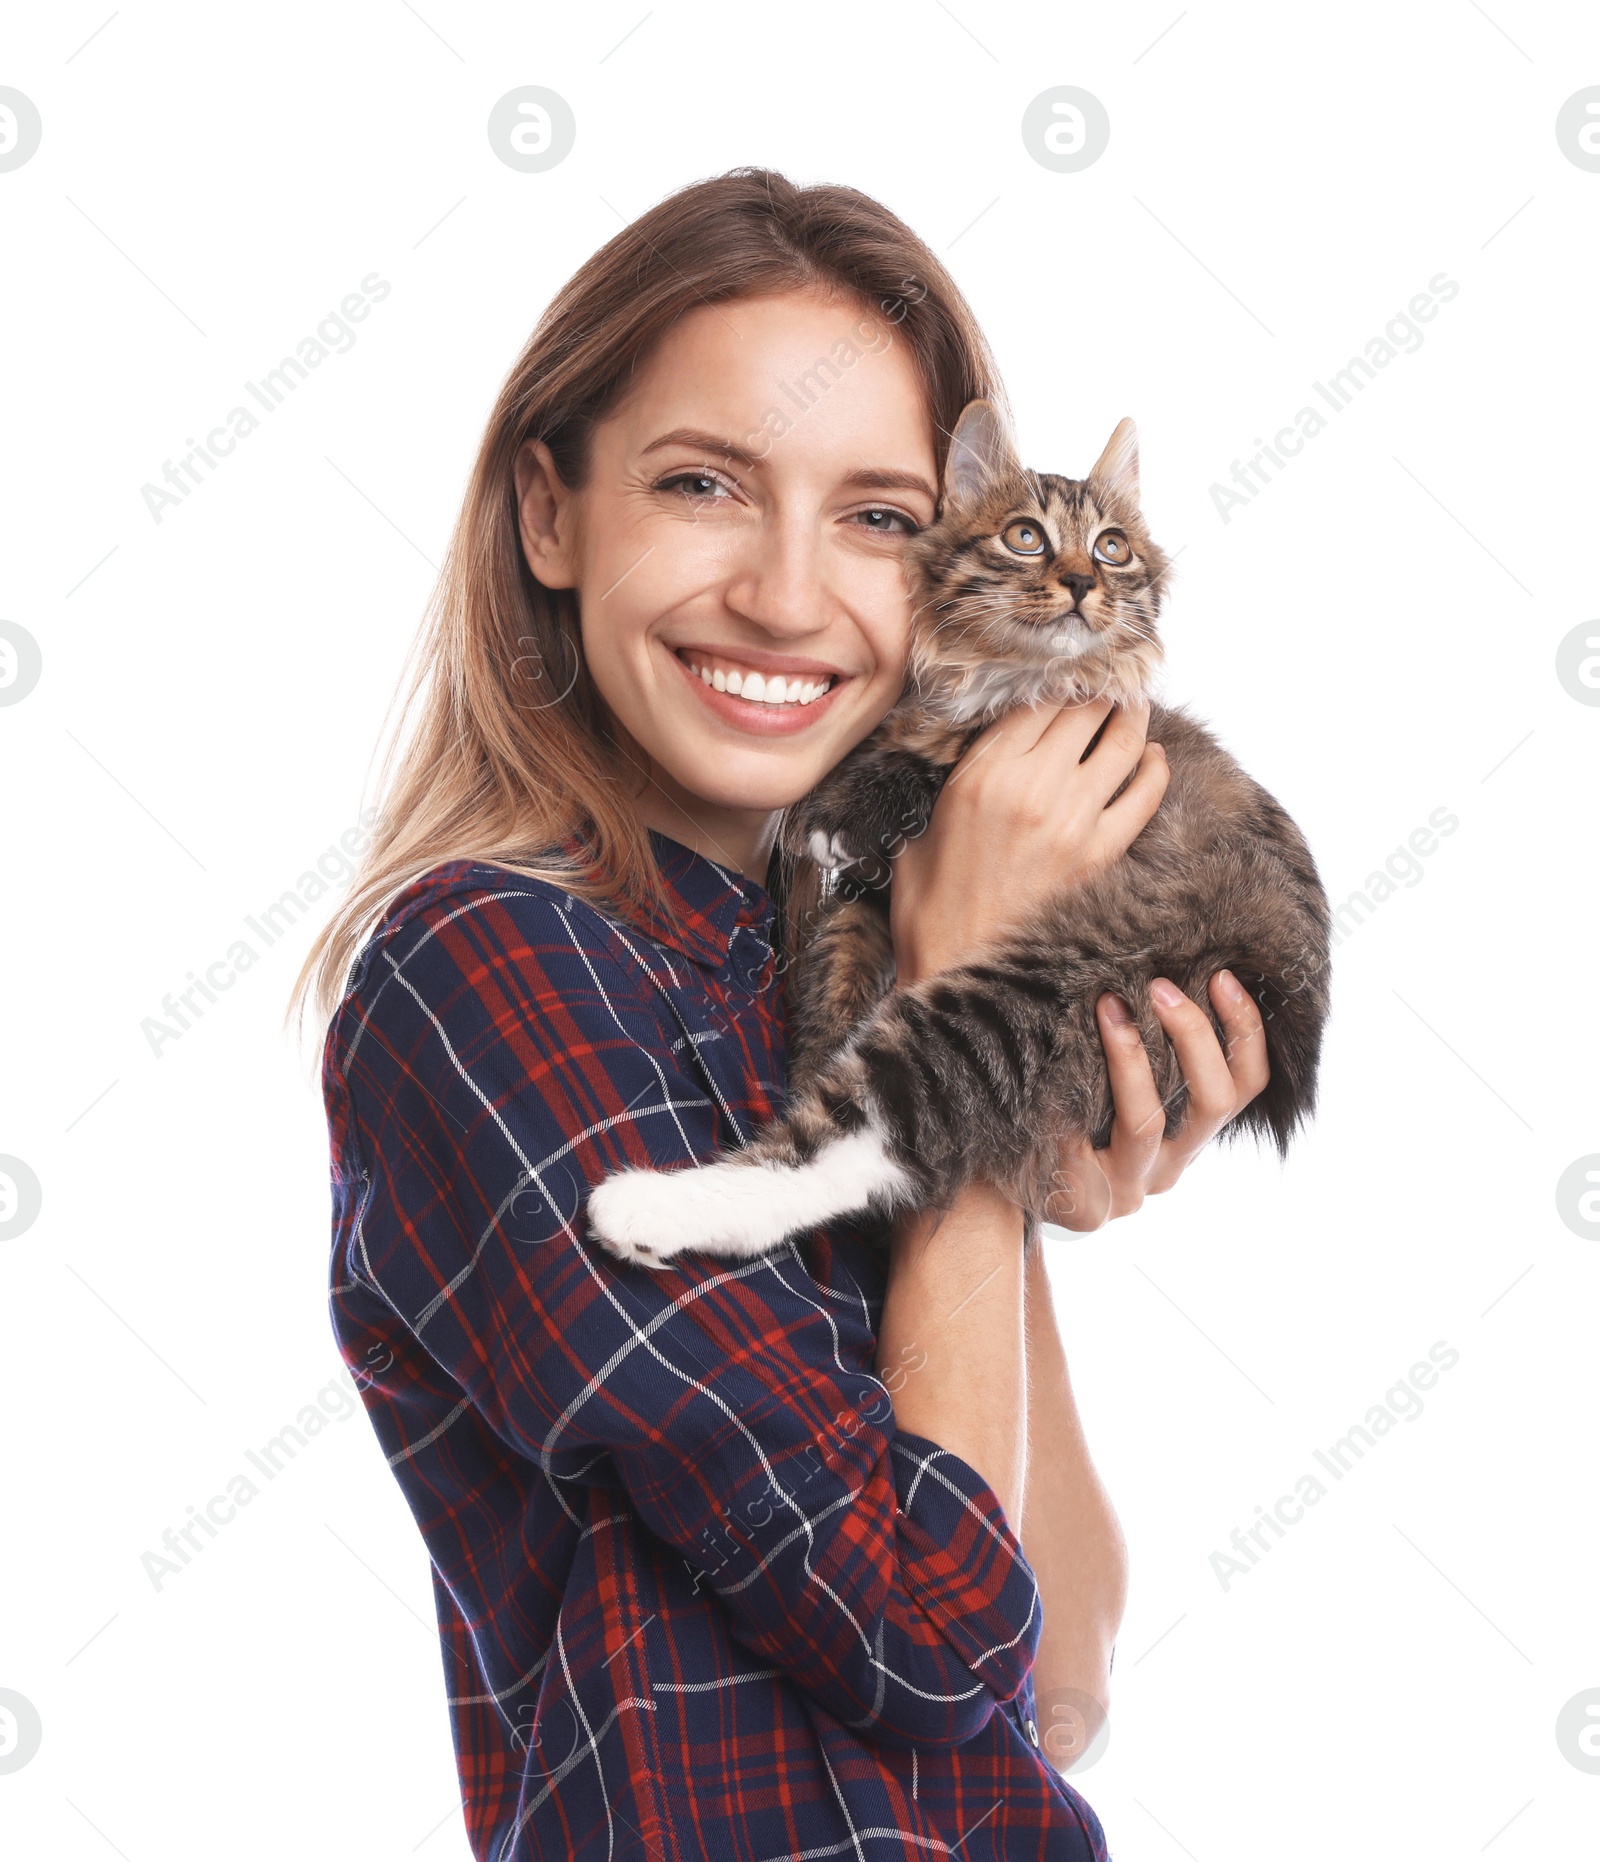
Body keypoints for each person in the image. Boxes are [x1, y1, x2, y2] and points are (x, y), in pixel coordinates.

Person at [294, 168, 1269, 1862]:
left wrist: (994, 1091)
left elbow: (1060, 1684)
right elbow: (926, 1627)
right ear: (551, 515)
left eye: (882, 518)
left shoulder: (851, 981)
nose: (786, 593)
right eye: (701, 485)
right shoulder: (489, 972)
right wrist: (968, 1032)